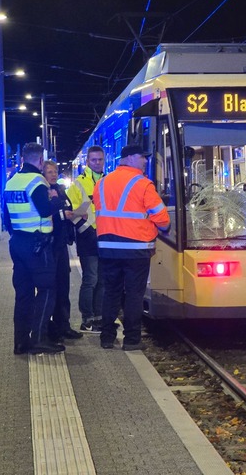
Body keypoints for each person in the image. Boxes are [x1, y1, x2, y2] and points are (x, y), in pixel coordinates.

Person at [95, 145, 170, 351]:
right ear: (128, 159)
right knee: (134, 294)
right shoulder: (143, 184)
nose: (145, 161)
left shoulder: (102, 183)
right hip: (136, 248)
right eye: (141, 157)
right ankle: (131, 340)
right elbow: (161, 218)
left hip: (108, 247)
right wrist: (164, 228)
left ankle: (107, 338)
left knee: (111, 292)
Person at [4, 143, 65, 355]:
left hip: (18, 243)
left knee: (23, 294)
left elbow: (6, 218)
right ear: (40, 161)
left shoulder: (12, 182)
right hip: (38, 245)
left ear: (23, 158)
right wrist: (57, 201)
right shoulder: (37, 181)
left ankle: (20, 342)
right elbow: (45, 209)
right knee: (48, 289)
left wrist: (18, 235)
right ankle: (39, 338)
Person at [42, 160, 83, 342]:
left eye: (55, 171)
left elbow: (67, 207)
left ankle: (64, 325)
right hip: (49, 245)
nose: (52, 174)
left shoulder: (59, 189)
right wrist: (62, 213)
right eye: (49, 171)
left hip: (61, 244)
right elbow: (45, 214)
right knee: (52, 287)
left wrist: (73, 213)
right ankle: (51, 329)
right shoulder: (42, 191)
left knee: (63, 287)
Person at [66, 146, 105, 332]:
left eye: (100, 160)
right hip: (88, 236)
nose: (97, 163)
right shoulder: (78, 184)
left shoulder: (108, 181)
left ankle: (99, 317)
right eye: (94, 160)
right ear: (87, 162)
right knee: (91, 279)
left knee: (103, 279)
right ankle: (86, 318)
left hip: (106, 236)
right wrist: (83, 223)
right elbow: (71, 212)